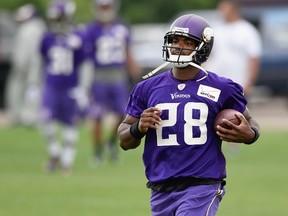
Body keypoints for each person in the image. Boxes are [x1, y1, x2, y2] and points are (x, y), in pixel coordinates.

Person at [117, 14, 261, 216]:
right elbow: (124, 139)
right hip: (161, 188)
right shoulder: (146, 88)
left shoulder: (222, 87)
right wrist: (138, 127)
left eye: (187, 42)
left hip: (202, 185)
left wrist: (251, 134)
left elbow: (251, 121)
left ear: (203, 47)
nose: (178, 47)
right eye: (175, 41)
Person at [84, 0, 141, 164]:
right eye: (102, 7)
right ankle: (97, 152)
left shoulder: (122, 27)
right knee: (96, 115)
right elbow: (87, 57)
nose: (105, 10)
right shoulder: (91, 29)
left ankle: (110, 144)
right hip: (99, 75)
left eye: (107, 7)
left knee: (123, 113)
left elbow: (128, 51)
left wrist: (134, 70)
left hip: (118, 75)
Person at [40, 0, 88, 175]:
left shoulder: (78, 37)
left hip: (70, 87)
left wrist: (83, 88)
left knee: (70, 124)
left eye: (59, 17)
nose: (56, 21)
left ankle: (67, 161)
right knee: (47, 122)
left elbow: (85, 64)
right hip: (52, 85)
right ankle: (55, 154)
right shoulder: (47, 37)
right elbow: (43, 61)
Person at [204, 0, 262, 97]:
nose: (221, 12)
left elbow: (254, 58)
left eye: (224, 9)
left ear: (234, 10)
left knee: (235, 112)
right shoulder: (216, 29)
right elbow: (208, 55)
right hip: (214, 84)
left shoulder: (247, 30)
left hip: (237, 84)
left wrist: (249, 83)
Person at [6, 4, 47, 126]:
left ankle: (28, 117)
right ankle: (23, 116)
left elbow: (33, 53)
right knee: (26, 91)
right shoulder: (36, 27)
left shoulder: (33, 28)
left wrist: (25, 68)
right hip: (29, 66)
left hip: (28, 67)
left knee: (30, 91)